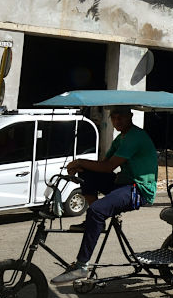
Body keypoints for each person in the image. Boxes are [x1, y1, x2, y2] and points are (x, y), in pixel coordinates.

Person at [52, 106, 158, 285]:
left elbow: (108, 168)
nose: (117, 121)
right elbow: (103, 164)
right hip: (122, 183)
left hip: (139, 189)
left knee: (96, 210)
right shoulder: (121, 139)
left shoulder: (134, 137)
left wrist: (79, 162)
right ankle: (95, 223)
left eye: (121, 117)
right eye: (114, 118)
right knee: (87, 174)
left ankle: (81, 266)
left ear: (130, 116)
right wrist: (82, 167)